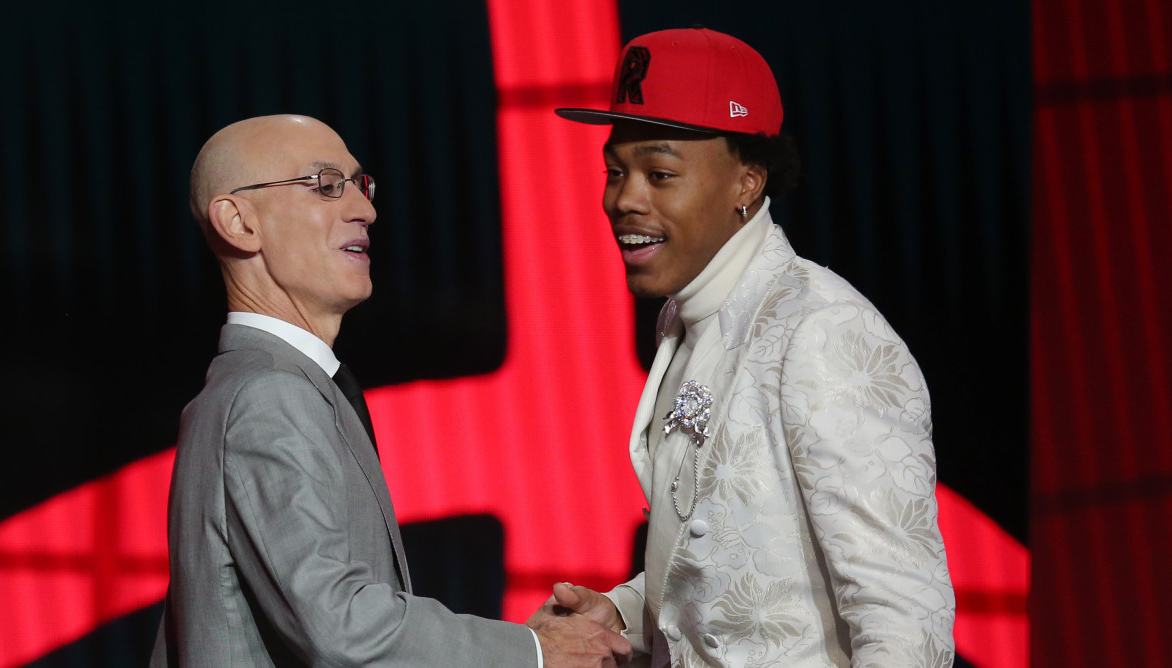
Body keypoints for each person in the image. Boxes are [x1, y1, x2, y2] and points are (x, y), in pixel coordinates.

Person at [150, 114, 631, 667]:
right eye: (326, 184)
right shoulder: (270, 397)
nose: (364, 209)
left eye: (360, 184)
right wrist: (530, 653)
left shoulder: (267, 387)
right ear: (239, 223)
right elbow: (341, 629)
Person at [551, 28, 956, 666]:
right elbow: (730, 555)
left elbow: (905, 621)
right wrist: (628, 611)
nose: (624, 199)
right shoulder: (683, 320)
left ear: (747, 181)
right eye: (615, 171)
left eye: (659, 173)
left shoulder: (822, 332)